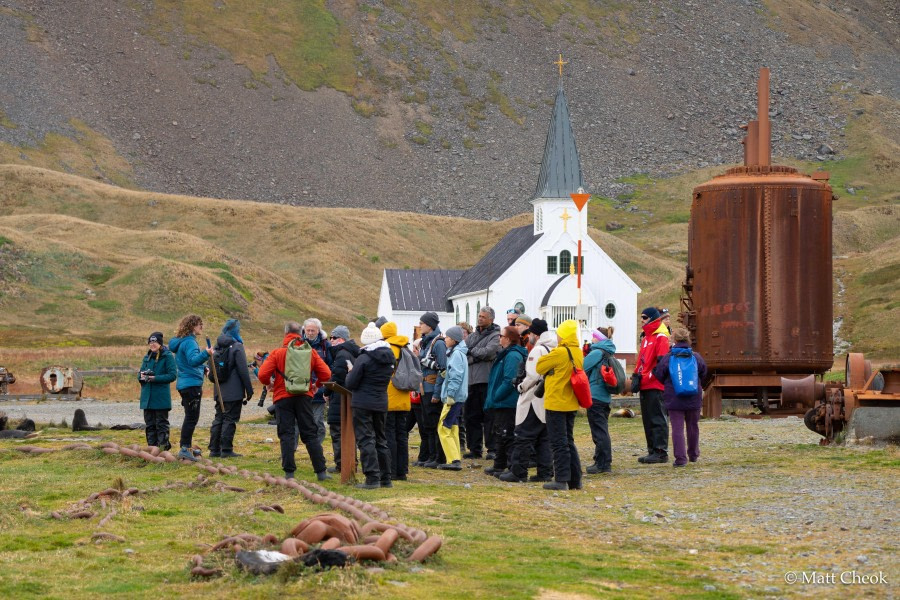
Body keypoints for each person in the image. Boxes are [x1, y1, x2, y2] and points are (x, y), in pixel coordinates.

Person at [257, 321, 332, 481]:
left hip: (282, 397)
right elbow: (326, 373)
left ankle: (289, 473)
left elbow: (262, 374)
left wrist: (269, 384)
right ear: (301, 333)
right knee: (310, 433)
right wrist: (315, 385)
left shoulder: (278, 353)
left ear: (285, 334)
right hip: (304, 397)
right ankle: (321, 472)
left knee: (287, 433)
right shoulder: (310, 352)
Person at [502, 318, 554, 483]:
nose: (529, 336)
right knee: (544, 437)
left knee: (523, 435)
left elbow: (533, 375)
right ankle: (545, 472)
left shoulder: (538, 350)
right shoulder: (553, 347)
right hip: (547, 397)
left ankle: (518, 472)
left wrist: (521, 387)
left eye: (531, 332)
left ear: (535, 334)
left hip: (532, 397)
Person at [344, 322, 395, 489]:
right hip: (381, 402)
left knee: (366, 439)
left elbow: (351, 383)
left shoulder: (364, 358)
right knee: (381, 439)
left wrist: (350, 372)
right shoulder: (389, 357)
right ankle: (386, 478)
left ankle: (372, 478)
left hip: (363, 403)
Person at [535, 319, 583, 491]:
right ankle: (575, 480)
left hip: (556, 402)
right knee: (568, 441)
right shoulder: (578, 352)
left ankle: (561, 479)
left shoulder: (560, 352)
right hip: (571, 402)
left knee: (558, 442)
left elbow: (540, 366)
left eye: (559, 334)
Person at [653, 327, 709, 467]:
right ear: (688, 339)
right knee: (693, 426)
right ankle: (693, 455)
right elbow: (704, 373)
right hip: (693, 396)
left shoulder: (668, 357)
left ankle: (680, 459)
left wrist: (670, 384)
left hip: (674, 397)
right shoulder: (696, 357)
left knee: (677, 428)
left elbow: (659, 374)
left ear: (675, 339)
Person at [484, 326, 528, 477]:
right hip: (502, 402)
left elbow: (510, 380)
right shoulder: (506, 354)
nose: (499, 338)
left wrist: (496, 396)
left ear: (508, 339)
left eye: (501, 336)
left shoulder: (512, 356)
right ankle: (499, 465)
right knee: (500, 433)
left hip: (507, 402)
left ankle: (511, 467)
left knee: (507, 433)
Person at [169, 314, 213, 462]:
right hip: (191, 385)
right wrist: (206, 354)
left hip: (185, 384)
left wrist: (204, 367)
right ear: (192, 326)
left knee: (190, 416)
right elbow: (193, 361)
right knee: (191, 418)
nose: (202, 327)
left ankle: (185, 448)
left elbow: (189, 363)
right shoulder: (190, 342)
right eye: (199, 324)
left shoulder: (182, 342)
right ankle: (185, 448)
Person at [208, 320, 254, 458]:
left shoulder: (216, 346)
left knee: (219, 418)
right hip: (233, 391)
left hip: (219, 390)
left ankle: (214, 449)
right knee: (230, 419)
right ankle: (226, 449)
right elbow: (243, 371)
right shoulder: (237, 346)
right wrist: (249, 390)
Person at [635, 307, 672, 464]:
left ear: (651, 318)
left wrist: (650, 376)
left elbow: (662, 363)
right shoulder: (646, 338)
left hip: (655, 385)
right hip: (645, 384)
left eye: (644, 317)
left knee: (657, 418)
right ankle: (652, 450)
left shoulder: (660, 337)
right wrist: (636, 375)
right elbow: (641, 361)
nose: (641, 320)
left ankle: (661, 451)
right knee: (648, 419)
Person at [464, 307, 501, 459]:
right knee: (471, 417)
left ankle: (492, 449)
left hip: (486, 381)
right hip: (471, 382)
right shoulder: (472, 336)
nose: (480, 319)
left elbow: (489, 352)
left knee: (489, 417)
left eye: (483, 317)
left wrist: (472, 352)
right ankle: (474, 448)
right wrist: (476, 355)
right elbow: (462, 352)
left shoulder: (496, 336)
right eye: (479, 316)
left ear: (491, 319)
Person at [582, 326, 617, 474]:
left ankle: (603, 463)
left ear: (599, 338)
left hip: (595, 396)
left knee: (599, 431)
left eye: (594, 336)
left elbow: (582, 367)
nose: (592, 339)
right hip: (605, 397)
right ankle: (601, 460)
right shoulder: (608, 351)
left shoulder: (597, 352)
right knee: (602, 429)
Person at [325, 325, 360, 473]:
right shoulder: (353, 352)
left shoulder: (341, 354)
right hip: (350, 397)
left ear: (341, 339)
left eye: (333, 338)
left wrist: (326, 391)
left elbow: (337, 377)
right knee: (349, 432)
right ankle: (352, 462)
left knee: (338, 432)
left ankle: (342, 464)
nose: (330, 341)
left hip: (340, 398)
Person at [380, 321, 411, 482]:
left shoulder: (386, 348)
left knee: (389, 434)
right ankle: (402, 470)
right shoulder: (404, 347)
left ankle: (391, 470)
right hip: (404, 397)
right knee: (402, 435)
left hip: (389, 397)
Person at [417, 311, 447, 468]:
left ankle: (438, 457)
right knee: (427, 423)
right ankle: (430, 455)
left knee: (434, 423)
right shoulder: (427, 342)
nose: (420, 326)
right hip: (424, 388)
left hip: (432, 388)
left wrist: (437, 392)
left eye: (422, 323)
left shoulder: (438, 343)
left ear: (429, 325)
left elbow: (443, 369)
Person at [138, 332, 177, 451]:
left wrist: (155, 378)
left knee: (161, 424)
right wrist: (142, 376)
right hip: (147, 398)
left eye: (155, 342)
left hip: (160, 397)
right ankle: (151, 449)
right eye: (150, 342)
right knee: (149, 425)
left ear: (160, 343)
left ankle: (163, 450)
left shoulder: (167, 356)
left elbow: (172, 375)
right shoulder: (147, 357)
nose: (152, 344)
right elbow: (140, 374)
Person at [437, 326, 468, 470]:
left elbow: (456, 376)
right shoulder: (459, 353)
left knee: (443, 428)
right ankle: (455, 458)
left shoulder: (456, 354)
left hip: (453, 398)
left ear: (454, 340)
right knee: (453, 427)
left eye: (448, 337)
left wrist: (450, 394)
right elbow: (454, 373)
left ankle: (453, 460)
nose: (445, 339)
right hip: (459, 396)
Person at [302, 318, 332, 446]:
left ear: (318, 330)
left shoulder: (326, 346)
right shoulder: (297, 343)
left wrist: (325, 389)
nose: (309, 333)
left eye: (312, 330)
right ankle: (291, 450)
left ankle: (317, 448)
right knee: (298, 421)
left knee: (317, 421)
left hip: (319, 390)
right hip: (301, 389)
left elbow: (330, 367)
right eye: (307, 330)